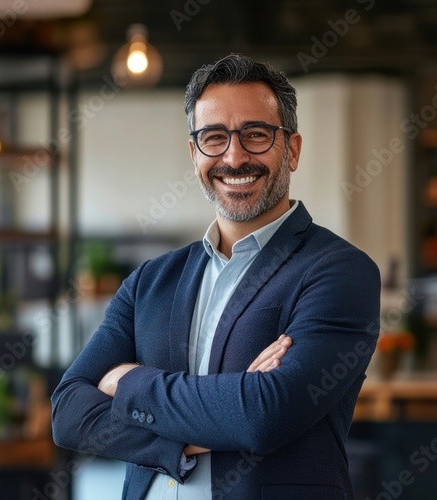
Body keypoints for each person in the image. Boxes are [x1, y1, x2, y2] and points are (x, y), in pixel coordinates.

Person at [51, 53, 380, 500]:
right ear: (194, 154)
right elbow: (69, 413)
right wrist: (210, 423)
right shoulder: (152, 280)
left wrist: (126, 381)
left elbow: (263, 416)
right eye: (214, 137)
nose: (234, 156)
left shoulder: (339, 272)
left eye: (256, 135)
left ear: (294, 149)